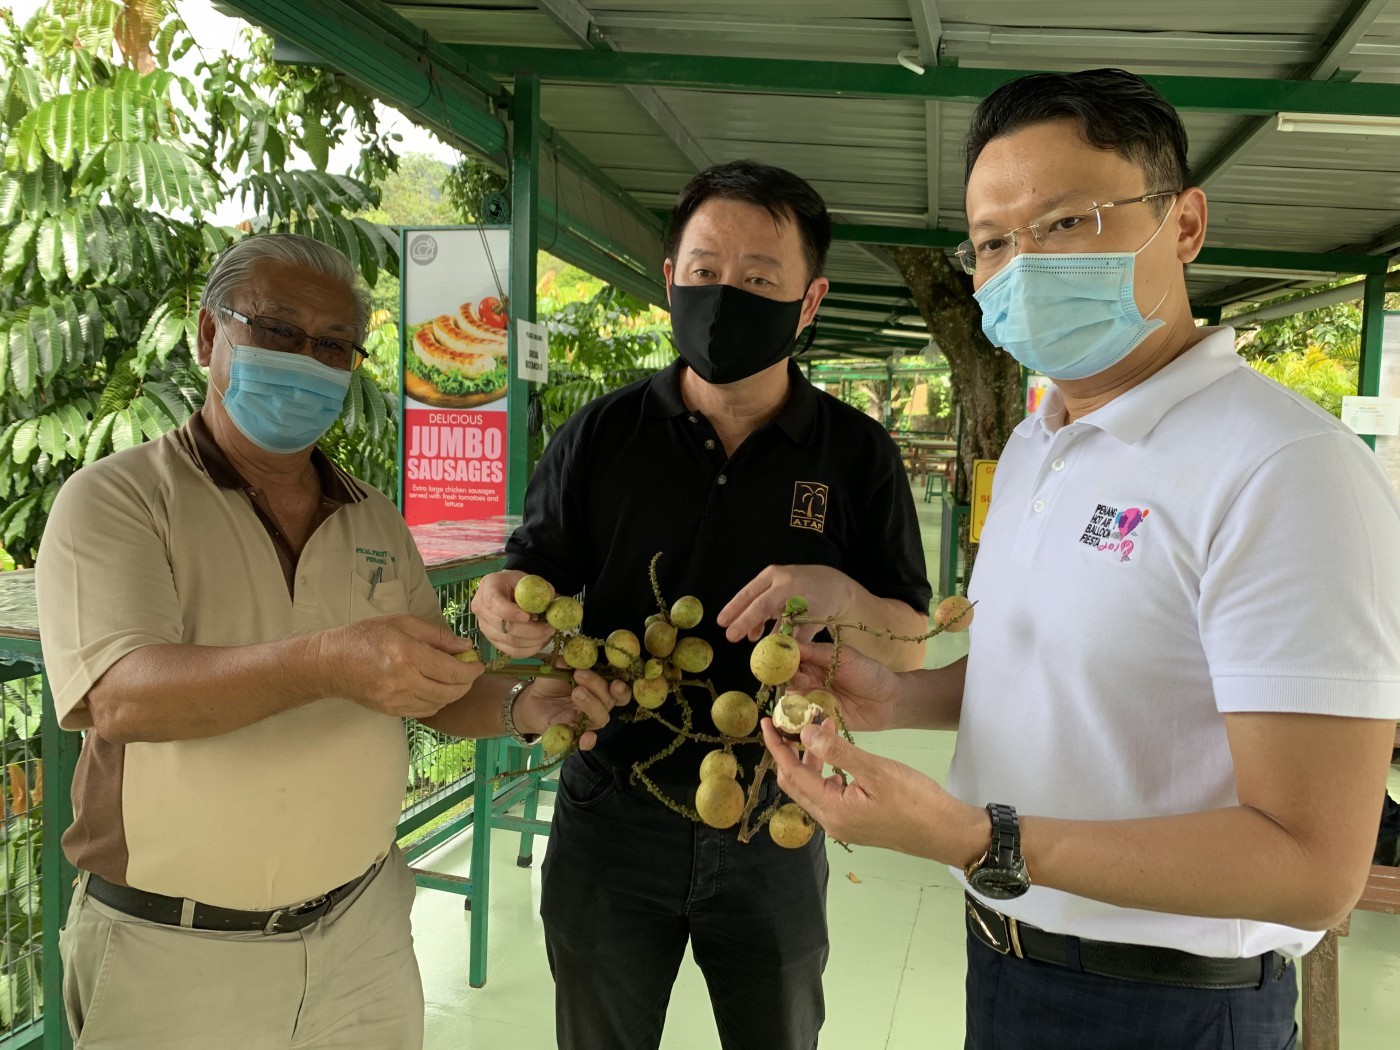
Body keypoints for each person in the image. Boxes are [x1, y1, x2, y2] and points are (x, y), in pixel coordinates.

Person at [762, 69, 1400, 1050]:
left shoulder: (1281, 470)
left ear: (1181, 223)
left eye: (1064, 222)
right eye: (989, 243)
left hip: (1172, 1005)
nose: (1019, 265)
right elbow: (1056, 671)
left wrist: (978, 839)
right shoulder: (1036, 444)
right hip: (1003, 959)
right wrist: (904, 696)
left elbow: (1311, 862)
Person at [35, 233, 621, 1050]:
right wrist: (327, 662)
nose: (308, 360)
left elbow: (440, 687)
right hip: (176, 954)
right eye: (278, 331)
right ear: (211, 337)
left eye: (334, 345)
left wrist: (527, 703)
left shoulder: (374, 516)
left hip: (364, 934)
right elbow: (121, 695)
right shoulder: (120, 498)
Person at [470, 160, 932, 1049]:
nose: (727, 297)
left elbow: (909, 648)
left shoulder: (856, 454)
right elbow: (523, 580)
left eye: (759, 280)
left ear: (809, 301)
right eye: (706, 271)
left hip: (776, 809)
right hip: (609, 806)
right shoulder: (602, 434)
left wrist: (837, 592)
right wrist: (500, 608)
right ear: (671, 276)